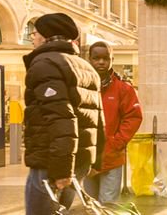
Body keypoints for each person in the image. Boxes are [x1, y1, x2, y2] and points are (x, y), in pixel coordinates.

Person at [22, 13, 104, 215]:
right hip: (79, 159)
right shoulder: (86, 67)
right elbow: (98, 119)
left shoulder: (45, 64)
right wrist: (96, 160)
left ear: (45, 36)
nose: (32, 38)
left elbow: (61, 118)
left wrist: (61, 171)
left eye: (35, 33)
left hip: (52, 160)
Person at [85, 41, 143, 204]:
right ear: (90, 59)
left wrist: (116, 142)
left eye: (105, 58)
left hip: (112, 157)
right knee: (90, 205)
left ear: (112, 60)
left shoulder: (124, 89)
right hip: (88, 159)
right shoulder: (82, 87)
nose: (101, 62)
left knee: (108, 205)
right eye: (96, 58)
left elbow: (133, 117)